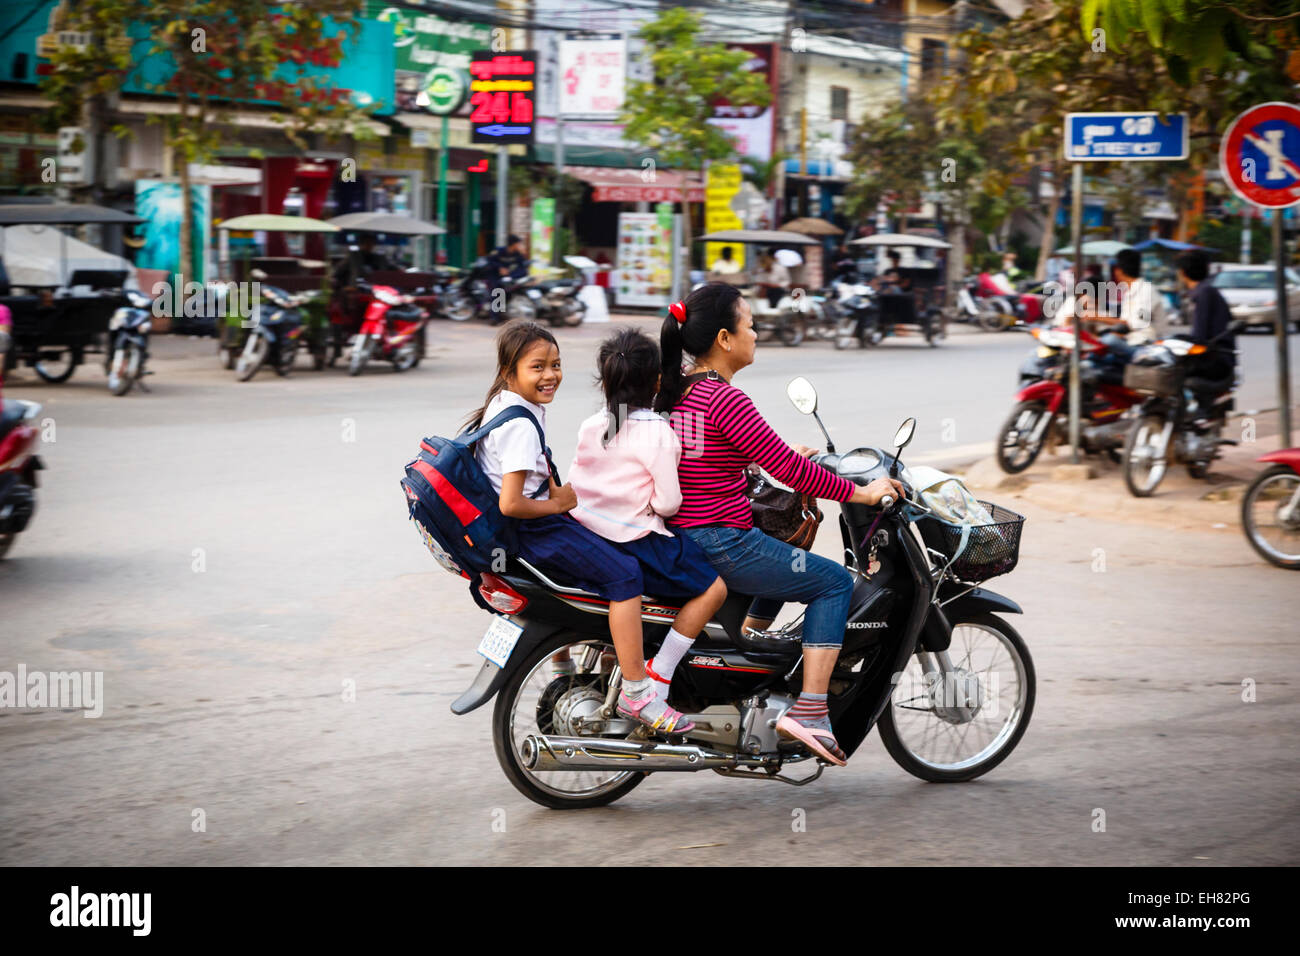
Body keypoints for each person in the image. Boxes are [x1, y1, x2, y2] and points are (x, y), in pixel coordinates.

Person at [654, 285, 903, 766]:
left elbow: (713, 457)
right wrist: (863, 492)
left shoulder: (684, 390)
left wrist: (781, 458)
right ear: (725, 339)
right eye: (750, 325)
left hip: (688, 535)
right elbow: (790, 471)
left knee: (786, 551)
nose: (756, 333)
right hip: (722, 540)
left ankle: (751, 657)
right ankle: (810, 710)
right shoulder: (726, 399)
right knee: (830, 581)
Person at [465, 321, 694, 736]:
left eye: (555, 364)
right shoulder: (518, 424)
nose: (550, 375)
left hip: (516, 532)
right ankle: (639, 691)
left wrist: (561, 495)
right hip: (531, 532)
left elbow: (536, 474)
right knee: (625, 576)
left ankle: (566, 658)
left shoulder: (504, 404)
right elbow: (512, 502)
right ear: (508, 370)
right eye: (537, 367)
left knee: (598, 555)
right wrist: (559, 503)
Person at [567, 327, 729, 729]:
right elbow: (668, 503)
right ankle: (658, 678)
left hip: (587, 535)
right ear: (657, 382)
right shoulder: (659, 432)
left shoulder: (591, 425)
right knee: (715, 588)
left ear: (605, 382)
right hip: (635, 541)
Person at [1174, 250, 1237, 420]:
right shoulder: (1203, 292)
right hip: (1213, 355)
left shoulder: (1205, 293)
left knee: (1173, 372)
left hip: (1218, 359)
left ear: (1183, 273)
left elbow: (1199, 337)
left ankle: (1198, 415)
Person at [1091, 248, 1169, 363]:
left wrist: (1097, 317)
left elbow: (1135, 324)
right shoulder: (1131, 292)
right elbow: (1124, 325)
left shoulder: (1146, 291)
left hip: (1145, 345)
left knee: (1108, 340)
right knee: (1094, 356)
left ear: (1118, 271)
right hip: (1131, 341)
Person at [486, 234, 529, 326]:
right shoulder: (499, 251)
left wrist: (512, 276)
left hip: (509, 278)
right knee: (498, 292)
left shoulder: (518, 254)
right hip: (496, 276)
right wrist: (500, 268)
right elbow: (489, 261)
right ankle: (495, 318)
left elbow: (523, 268)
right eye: (519, 243)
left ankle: (505, 314)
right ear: (513, 244)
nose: (520, 245)